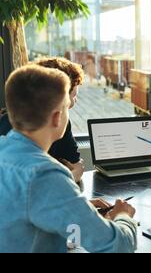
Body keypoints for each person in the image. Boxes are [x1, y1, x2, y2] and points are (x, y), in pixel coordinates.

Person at [0, 65, 138, 253]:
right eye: (67, 106)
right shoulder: (45, 175)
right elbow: (118, 246)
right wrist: (124, 216)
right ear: (57, 117)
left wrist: (74, 208)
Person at [0, 57, 85, 183]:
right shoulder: (10, 125)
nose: (75, 101)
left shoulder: (62, 123)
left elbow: (76, 163)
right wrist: (70, 177)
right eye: (74, 95)